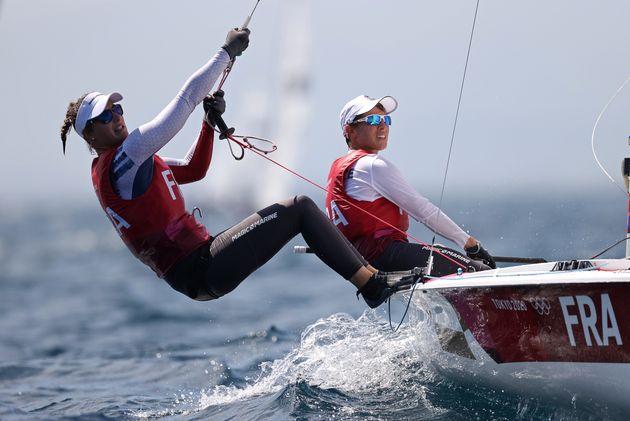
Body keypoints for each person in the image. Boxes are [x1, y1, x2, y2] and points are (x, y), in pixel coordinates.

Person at [59, 29, 416, 309]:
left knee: (299, 212)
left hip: (197, 266)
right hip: (199, 266)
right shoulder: (126, 158)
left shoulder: (126, 166)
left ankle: (371, 277)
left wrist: (208, 125)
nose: (116, 118)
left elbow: (193, 169)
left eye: (116, 110)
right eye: (105, 117)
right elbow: (183, 101)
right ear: (90, 134)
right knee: (300, 209)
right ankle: (371, 285)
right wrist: (226, 53)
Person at [325, 94, 496, 277]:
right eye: (373, 119)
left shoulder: (340, 167)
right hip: (385, 255)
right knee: (481, 273)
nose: (383, 125)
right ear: (349, 131)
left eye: (386, 119)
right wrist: (471, 245)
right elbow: (423, 210)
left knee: (441, 253)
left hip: (365, 263)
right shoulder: (372, 165)